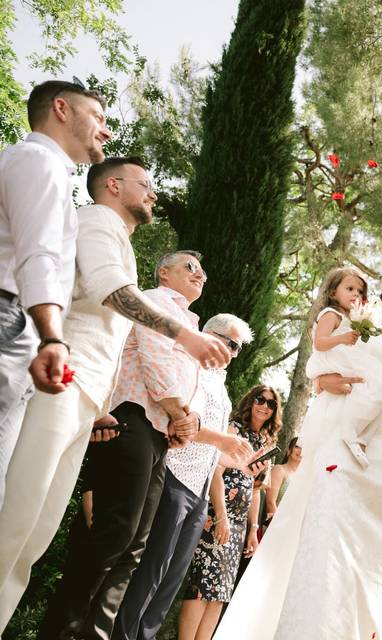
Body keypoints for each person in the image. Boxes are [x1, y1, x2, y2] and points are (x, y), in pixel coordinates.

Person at [0, 158, 229, 634]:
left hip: (96, 406)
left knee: (42, 536)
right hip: (73, 387)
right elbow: (124, 315)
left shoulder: (121, 245)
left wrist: (108, 410)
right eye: (145, 183)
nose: (152, 192)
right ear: (112, 184)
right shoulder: (98, 223)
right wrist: (174, 396)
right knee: (24, 520)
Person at [214, 254, 382, 639]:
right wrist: (323, 381)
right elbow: (325, 358)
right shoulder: (364, 321)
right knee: (331, 523)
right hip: (346, 434)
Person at [37, 248, 228, 639]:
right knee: (114, 534)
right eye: (191, 267)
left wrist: (183, 420)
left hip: (159, 436)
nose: (200, 275)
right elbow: (157, 364)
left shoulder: (186, 319)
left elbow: (189, 385)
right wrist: (181, 414)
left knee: (134, 547)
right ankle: (61, 631)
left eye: (204, 271)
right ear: (164, 272)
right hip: (132, 421)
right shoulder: (155, 303)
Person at [113, 313, 262, 640]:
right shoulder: (189, 369)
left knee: (170, 581)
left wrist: (239, 460)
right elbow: (178, 424)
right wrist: (222, 440)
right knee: (150, 570)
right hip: (175, 477)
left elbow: (213, 448)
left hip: (200, 490)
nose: (234, 353)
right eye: (231, 344)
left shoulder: (220, 384)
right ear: (210, 334)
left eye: (238, 348)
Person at [0, 79, 109, 509]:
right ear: (61, 108)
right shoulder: (40, 163)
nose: (106, 130)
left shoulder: (26, 163)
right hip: (10, 322)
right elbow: (38, 256)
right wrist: (51, 336)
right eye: (98, 117)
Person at [178, 385, 282, 640]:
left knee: (220, 593)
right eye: (260, 399)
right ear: (251, 401)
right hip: (217, 516)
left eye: (271, 404)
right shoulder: (234, 430)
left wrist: (253, 531)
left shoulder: (266, 443)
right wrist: (222, 517)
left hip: (238, 527)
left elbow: (256, 489)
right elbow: (215, 471)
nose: (264, 406)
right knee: (202, 587)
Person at [305, 265, 382, 468]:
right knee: (380, 384)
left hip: (349, 360)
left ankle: (358, 436)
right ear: (333, 292)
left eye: (360, 291)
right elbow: (319, 343)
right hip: (337, 361)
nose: (356, 294)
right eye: (349, 288)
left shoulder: (351, 319)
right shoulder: (331, 314)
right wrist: (344, 338)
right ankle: (351, 432)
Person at [264, 437, 301, 524]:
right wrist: (277, 527)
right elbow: (270, 502)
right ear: (289, 450)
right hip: (277, 525)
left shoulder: (303, 476)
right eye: (297, 446)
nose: (300, 451)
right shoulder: (279, 470)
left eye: (303, 448)